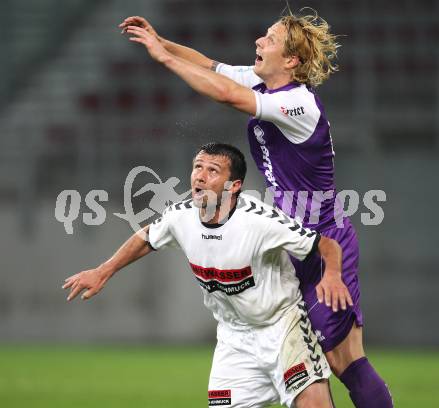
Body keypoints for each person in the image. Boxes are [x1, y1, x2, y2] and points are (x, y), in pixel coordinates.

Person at [118, 9, 393, 408]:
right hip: (286, 238)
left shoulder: (298, 103)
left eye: (269, 39)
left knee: (344, 359)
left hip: (322, 239)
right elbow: (212, 67)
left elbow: (226, 93)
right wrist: (161, 43)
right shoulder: (265, 83)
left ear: (292, 61)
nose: (258, 43)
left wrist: (165, 60)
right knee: (306, 352)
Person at [63, 143, 353, 408]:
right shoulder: (181, 216)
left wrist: (333, 276)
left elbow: (326, 245)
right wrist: (102, 272)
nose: (199, 176)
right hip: (234, 339)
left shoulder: (260, 221)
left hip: (282, 328)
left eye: (212, 170)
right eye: (197, 167)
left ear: (233, 186)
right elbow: (147, 237)